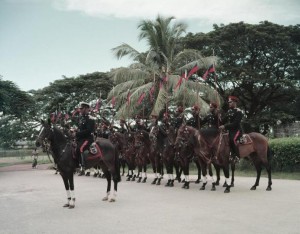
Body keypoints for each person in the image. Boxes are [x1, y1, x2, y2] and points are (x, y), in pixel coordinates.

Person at [219, 96, 243, 161]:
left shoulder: (239, 112)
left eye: (230, 102)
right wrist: (219, 115)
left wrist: (225, 126)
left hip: (237, 130)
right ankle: (229, 155)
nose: (229, 103)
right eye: (228, 102)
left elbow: (235, 124)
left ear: (234, 102)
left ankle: (237, 156)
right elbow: (223, 121)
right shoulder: (229, 111)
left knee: (233, 140)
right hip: (230, 131)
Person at [74, 102, 96, 176]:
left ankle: (83, 167)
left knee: (81, 149)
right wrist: (75, 131)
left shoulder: (91, 119)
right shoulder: (81, 118)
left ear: (86, 109)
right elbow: (80, 129)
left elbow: (88, 131)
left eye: (81, 108)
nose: (80, 110)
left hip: (88, 138)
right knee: (75, 149)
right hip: (81, 138)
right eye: (80, 108)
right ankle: (77, 166)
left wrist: (77, 133)